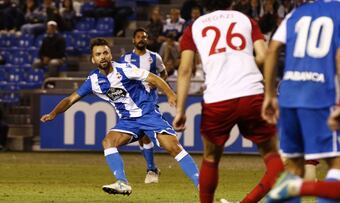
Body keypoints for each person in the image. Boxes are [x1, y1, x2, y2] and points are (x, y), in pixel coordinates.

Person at [40, 38, 199, 195]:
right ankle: (122, 183)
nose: (102, 56)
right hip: (128, 121)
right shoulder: (93, 80)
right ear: (93, 59)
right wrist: (54, 113)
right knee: (108, 141)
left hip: (148, 114)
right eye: (98, 54)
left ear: (110, 55)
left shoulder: (124, 69)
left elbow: (153, 77)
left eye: (105, 53)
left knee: (173, 147)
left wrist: (170, 94)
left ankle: (201, 185)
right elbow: (70, 99)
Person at [173, 1, 284, 202]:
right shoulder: (246, 20)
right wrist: (269, 94)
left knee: (211, 157)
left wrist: (180, 109)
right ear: (231, 2)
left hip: (218, 99)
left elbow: (185, 70)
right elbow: (265, 56)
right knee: (273, 158)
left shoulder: (194, 27)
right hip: (252, 93)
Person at [261, 0, 340, 202]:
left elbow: (271, 51)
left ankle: (292, 189)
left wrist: (269, 94)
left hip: (289, 96)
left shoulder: (297, 14)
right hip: (322, 95)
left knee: (294, 167)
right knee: (339, 166)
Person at [118, 28, 167, 184]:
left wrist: (157, 83)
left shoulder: (154, 57)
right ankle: (152, 168)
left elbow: (163, 72)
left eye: (144, 37)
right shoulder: (124, 58)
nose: (141, 39)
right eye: (139, 37)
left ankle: (151, 169)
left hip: (149, 100)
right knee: (141, 135)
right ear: (133, 40)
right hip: (131, 101)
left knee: (145, 132)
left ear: (147, 40)